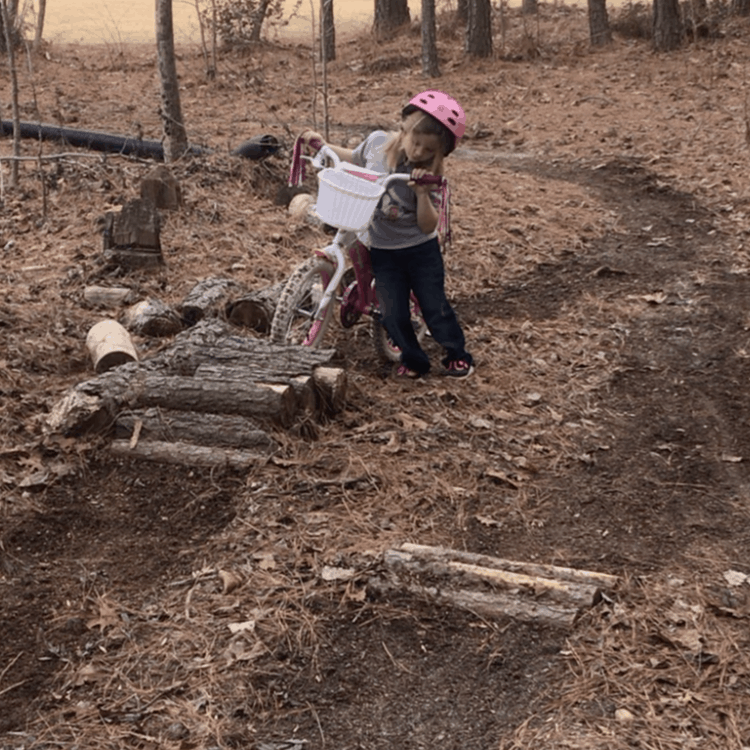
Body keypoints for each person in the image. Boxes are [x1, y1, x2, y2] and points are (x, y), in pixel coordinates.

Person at [300, 90, 474, 379]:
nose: (418, 153)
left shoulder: (429, 178)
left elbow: (429, 225)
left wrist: (420, 195)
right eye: (414, 142)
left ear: (439, 154)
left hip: (420, 252)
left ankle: (456, 353)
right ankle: (414, 360)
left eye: (428, 150)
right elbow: (354, 158)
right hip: (384, 249)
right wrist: (323, 146)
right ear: (403, 128)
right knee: (391, 313)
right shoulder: (378, 144)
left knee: (434, 307)